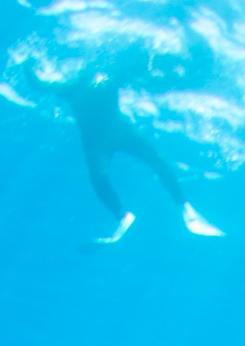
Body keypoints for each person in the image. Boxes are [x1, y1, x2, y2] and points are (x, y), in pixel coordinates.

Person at [21, 46, 222, 245]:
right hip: (119, 133)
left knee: (103, 180)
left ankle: (127, 215)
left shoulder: (70, 87)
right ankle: (181, 205)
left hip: (100, 139)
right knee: (156, 164)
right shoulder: (102, 78)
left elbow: (37, 85)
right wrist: (153, 56)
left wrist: (27, 64)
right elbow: (139, 71)